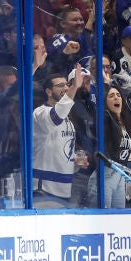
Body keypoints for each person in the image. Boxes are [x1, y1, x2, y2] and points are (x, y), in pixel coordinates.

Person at [32, 67, 82, 208]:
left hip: (65, 188)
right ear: (48, 91)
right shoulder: (40, 113)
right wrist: (74, 87)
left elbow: (63, 150)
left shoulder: (68, 120)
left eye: (67, 84)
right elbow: (56, 116)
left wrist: (76, 162)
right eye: (60, 85)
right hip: (45, 187)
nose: (66, 88)